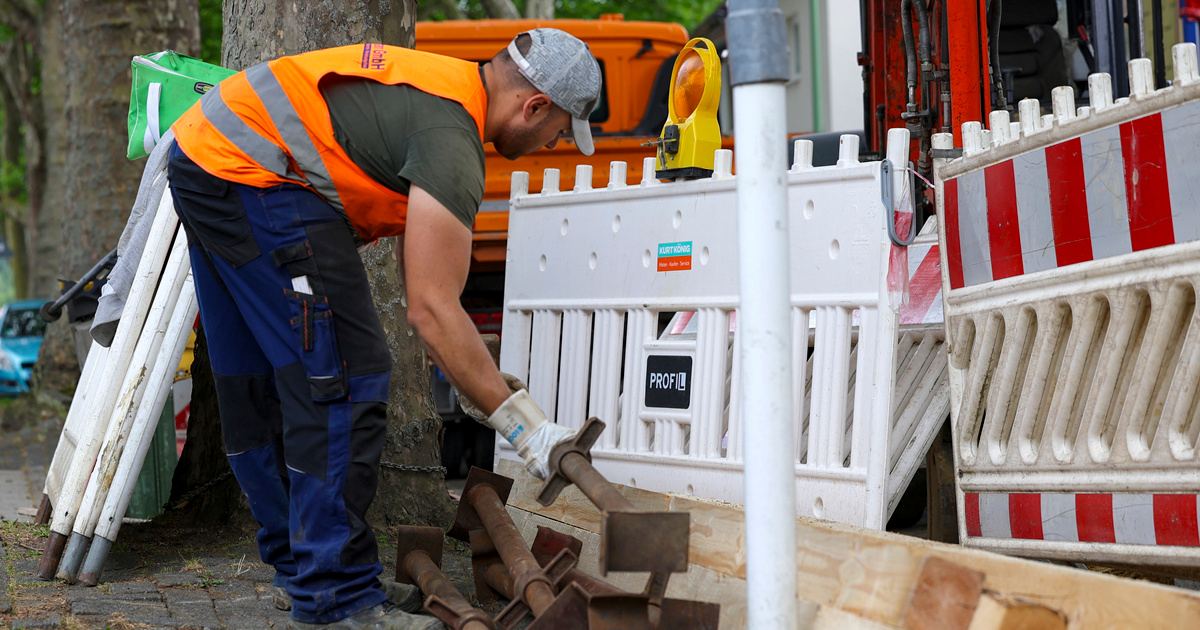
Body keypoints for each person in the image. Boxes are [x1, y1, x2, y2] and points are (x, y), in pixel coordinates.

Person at [166, 29, 600, 630]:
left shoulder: (439, 93)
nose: (554, 143)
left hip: (206, 157)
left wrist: (472, 372)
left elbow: (426, 293)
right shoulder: (452, 139)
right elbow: (431, 308)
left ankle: (307, 575)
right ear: (534, 106)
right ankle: (337, 600)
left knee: (259, 380)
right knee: (345, 376)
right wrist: (530, 431)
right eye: (559, 129)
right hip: (255, 175)